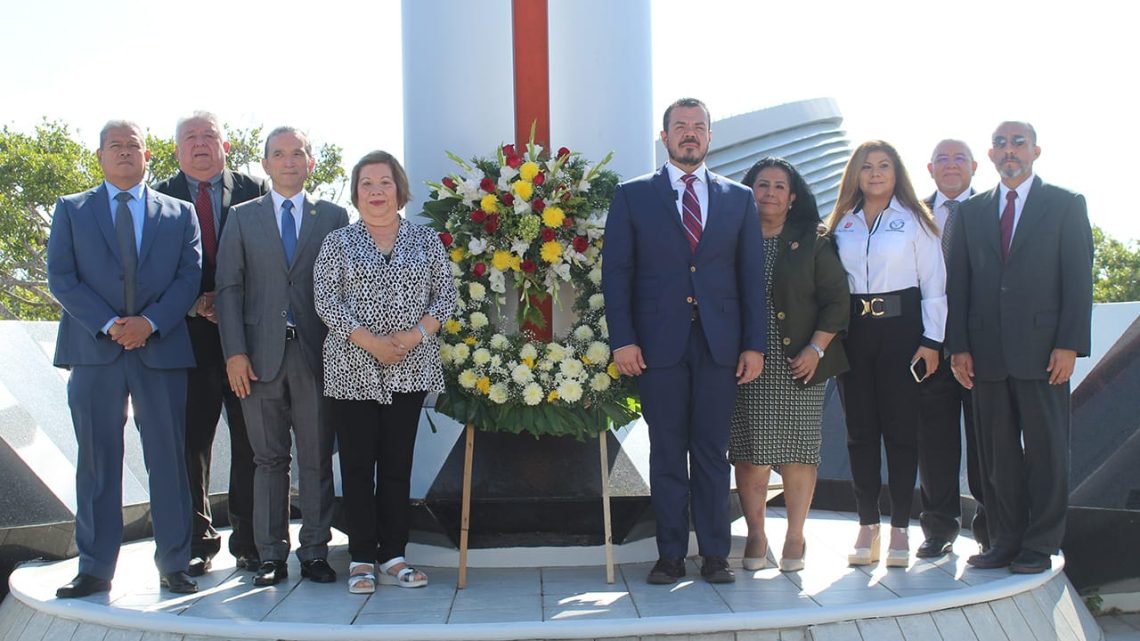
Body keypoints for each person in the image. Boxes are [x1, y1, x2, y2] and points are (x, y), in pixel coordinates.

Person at [603, 98, 767, 585]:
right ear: (665, 135)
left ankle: (715, 553)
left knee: (713, 451)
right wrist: (624, 340)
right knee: (668, 451)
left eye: (699, 127)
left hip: (721, 346)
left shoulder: (738, 198)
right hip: (657, 346)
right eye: (681, 127)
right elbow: (618, 274)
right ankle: (671, 553)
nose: (690, 134)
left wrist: (753, 344)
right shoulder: (632, 196)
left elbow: (750, 277)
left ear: (710, 136)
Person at [47, 120, 202, 597]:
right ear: (99, 156)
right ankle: (94, 567)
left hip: (160, 351)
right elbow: (61, 277)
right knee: (96, 461)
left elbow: (188, 276)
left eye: (133, 145)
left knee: (169, 461)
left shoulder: (179, 213)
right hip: (95, 352)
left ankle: (175, 563)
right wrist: (111, 324)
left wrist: (149, 323)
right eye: (115, 145)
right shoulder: (71, 210)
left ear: (147, 154)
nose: (124, 152)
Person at [947, 121, 1093, 574]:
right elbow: (960, 285)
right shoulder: (970, 213)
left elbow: (1078, 279)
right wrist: (959, 346)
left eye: (1018, 143)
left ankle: (1040, 543)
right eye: (1000, 144)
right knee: (997, 457)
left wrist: (1069, 343)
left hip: (1045, 353)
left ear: (1036, 151)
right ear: (989, 156)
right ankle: (1004, 541)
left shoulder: (1065, 205)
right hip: (985, 355)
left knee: (1047, 453)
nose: (1009, 151)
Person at [313, 151, 456, 593]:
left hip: (409, 370)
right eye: (367, 183)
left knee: (397, 466)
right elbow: (325, 300)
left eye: (385, 182)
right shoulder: (337, 242)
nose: (376, 191)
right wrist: (370, 340)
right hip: (351, 368)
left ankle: (394, 555)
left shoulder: (426, 240)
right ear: (356, 193)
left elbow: (445, 298)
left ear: (400, 189)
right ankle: (360, 559)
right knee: (357, 467)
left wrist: (415, 336)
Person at [214, 126, 349, 586]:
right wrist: (234, 352)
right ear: (265, 164)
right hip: (257, 358)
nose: (288, 161)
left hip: (317, 355)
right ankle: (271, 554)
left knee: (315, 458)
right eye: (278, 154)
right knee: (267, 459)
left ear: (311, 162)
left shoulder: (333, 216)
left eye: (297, 153)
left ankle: (314, 551)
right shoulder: (242, 217)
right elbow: (229, 289)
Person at [153, 111, 269, 575]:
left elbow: (269, 259)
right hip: (185, 340)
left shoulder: (256, 191)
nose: (200, 144)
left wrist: (233, 303)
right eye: (190, 137)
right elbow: (148, 270)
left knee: (252, 440)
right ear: (177, 149)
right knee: (191, 442)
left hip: (247, 337)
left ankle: (251, 541)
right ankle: (198, 540)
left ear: (225, 145)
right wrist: (193, 304)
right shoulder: (158, 197)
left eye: (209, 136)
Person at [824, 140, 945, 568]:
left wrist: (931, 342)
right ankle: (867, 523)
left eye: (884, 166)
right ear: (854, 174)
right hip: (854, 335)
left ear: (897, 174)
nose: (875, 174)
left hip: (902, 333)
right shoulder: (840, 223)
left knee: (900, 431)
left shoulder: (916, 221)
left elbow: (934, 286)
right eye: (866, 167)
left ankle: (899, 529)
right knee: (859, 431)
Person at [729, 158, 850, 573]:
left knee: (800, 453)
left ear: (793, 196)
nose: (770, 193)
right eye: (762, 185)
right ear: (749, 191)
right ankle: (757, 535)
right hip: (746, 361)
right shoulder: (731, 238)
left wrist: (816, 349)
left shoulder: (813, 241)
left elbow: (837, 301)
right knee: (750, 454)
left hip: (801, 362)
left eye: (780, 187)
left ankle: (796, 535)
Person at [914, 139, 989, 559]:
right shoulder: (912, 214)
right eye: (942, 158)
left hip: (981, 348)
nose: (951, 165)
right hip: (929, 347)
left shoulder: (994, 210)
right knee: (935, 444)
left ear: (975, 166)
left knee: (986, 444)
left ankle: (991, 530)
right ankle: (939, 529)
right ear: (929, 168)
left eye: (960, 158)